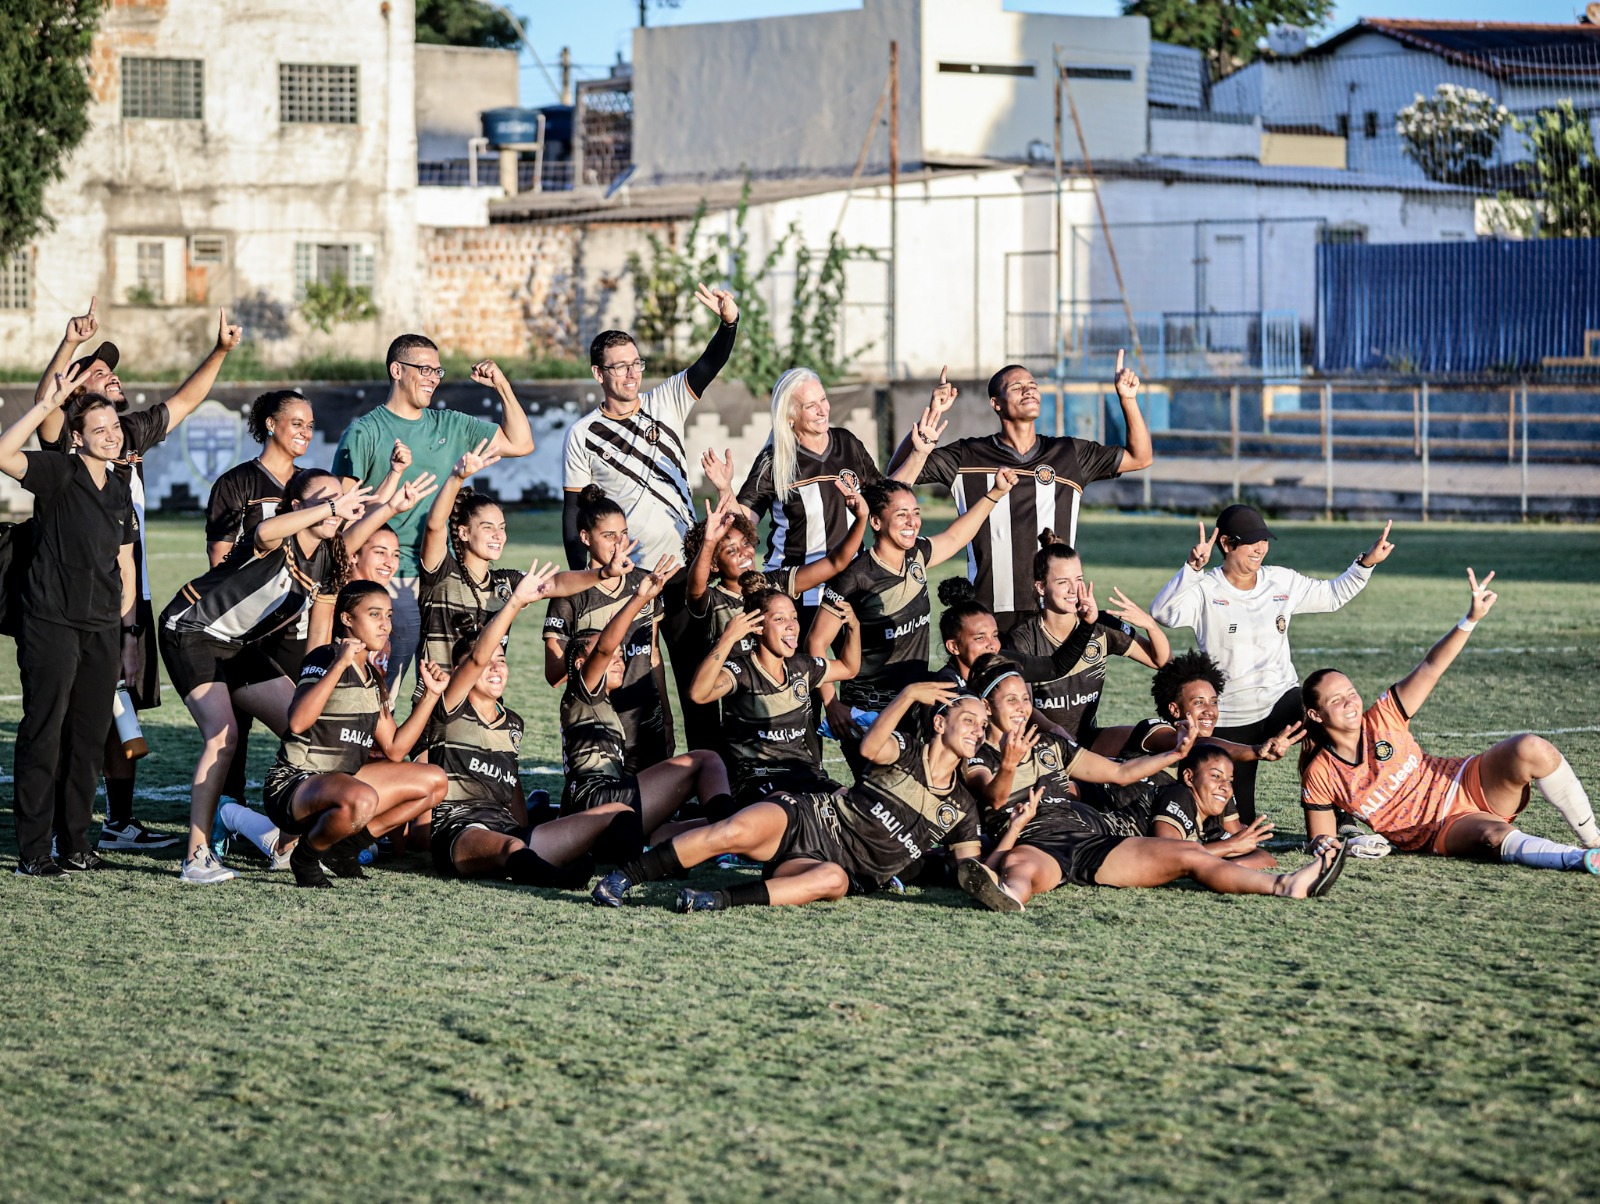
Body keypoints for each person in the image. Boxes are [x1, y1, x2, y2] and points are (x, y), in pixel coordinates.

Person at [33, 301, 245, 850]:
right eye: (99, 372)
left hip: (130, 599)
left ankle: (116, 822)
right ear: (76, 397)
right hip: (73, 605)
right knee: (73, 718)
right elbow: (45, 408)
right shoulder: (70, 441)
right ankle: (57, 829)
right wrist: (68, 346)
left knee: (120, 710)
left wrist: (220, 350)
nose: (112, 374)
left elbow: (186, 400)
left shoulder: (124, 434)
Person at [160, 465, 435, 884]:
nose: (335, 505)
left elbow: (320, 645)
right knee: (224, 735)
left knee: (305, 726)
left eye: (337, 499)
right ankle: (197, 856)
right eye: (324, 498)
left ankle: (284, 843)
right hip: (190, 629)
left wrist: (324, 680)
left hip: (238, 647)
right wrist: (336, 505)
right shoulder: (276, 535)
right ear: (296, 506)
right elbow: (268, 531)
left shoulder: (327, 559)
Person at [958, 659, 1338, 911]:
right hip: (1033, 839)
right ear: (987, 706)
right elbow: (993, 797)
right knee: (1020, 869)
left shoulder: (1049, 743)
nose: (1023, 707)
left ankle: (1284, 885)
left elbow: (1120, 773)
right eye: (1011, 700)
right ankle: (1004, 894)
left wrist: (1176, 754)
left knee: (1188, 856)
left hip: (1088, 837)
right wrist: (1008, 764)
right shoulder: (977, 753)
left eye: (1025, 698)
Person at [591, 681, 989, 913]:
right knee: (732, 830)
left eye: (984, 726)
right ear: (940, 722)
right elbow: (869, 750)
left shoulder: (962, 808)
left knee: (832, 881)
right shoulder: (904, 749)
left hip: (832, 866)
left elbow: (971, 872)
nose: (978, 731)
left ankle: (715, 899)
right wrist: (906, 696)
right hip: (811, 819)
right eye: (968, 721)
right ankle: (622, 878)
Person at [1299, 569, 1600, 873]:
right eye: (1336, 700)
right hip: (1442, 828)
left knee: (1532, 748)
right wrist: (1346, 844)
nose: (1350, 702)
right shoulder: (1321, 772)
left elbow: (1431, 666)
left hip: (1465, 781)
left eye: (1350, 692)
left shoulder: (1383, 716)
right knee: (1492, 837)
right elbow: (1320, 840)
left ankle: (1594, 841)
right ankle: (1581, 860)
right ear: (1316, 714)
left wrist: (1470, 619)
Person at [562, 286, 739, 752]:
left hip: (684, 569)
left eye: (636, 363)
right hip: (631, 579)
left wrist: (728, 323)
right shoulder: (582, 434)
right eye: (619, 366)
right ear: (598, 373)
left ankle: (710, 781)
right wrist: (587, 581)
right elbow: (572, 514)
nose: (630, 373)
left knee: (697, 684)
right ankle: (644, 780)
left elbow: (709, 364)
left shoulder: (666, 402)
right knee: (638, 692)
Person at [1150, 504, 1395, 823]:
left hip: (1283, 700)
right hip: (1233, 716)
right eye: (1252, 541)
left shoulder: (1281, 581)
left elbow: (1333, 596)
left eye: (1264, 540)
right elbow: (1162, 613)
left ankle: (1344, 821)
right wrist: (1192, 569)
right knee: (1238, 821)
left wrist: (1366, 563)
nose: (1261, 548)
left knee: (1331, 726)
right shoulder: (1204, 589)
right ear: (1226, 544)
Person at [888, 352, 1152, 634]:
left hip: (1055, 611)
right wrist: (933, 413)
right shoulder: (967, 456)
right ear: (996, 404)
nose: (1029, 390)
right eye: (1017, 387)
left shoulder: (1069, 454)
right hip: (990, 612)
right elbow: (899, 476)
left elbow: (1141, 457)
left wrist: (1128, 400)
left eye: (1033, 386)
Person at [429, 560, 647, 886]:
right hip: (460, 832)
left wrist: (527, 825)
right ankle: (559, 879)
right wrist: (515, 602)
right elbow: (476, 658)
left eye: (501, 661)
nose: (494, 667)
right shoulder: (450, 708)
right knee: (511, 846)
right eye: (485, 664)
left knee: (617, 812)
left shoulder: (512, 723)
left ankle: (639, 868)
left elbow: (512, 782)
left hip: (509, 829)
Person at [333, 347, 535, 690]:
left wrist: (501, 384)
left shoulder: (452, 424)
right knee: (384, 689)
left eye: (437, 372)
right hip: (393, 580)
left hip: (447, 578)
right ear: (397, 370)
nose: (432, 379)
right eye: (424, 369)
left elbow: (521, 442)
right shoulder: (364, 431)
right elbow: (342, 516)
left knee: (446, 691)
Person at [1, 368, 136, 876]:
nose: (112, 435)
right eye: (99, 430)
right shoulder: (59, 472)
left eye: (115, 428)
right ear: (77, 437)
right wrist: (45, 405)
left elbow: (124, 563)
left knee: (88, 736)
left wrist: (128, 635)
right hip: (50, 622)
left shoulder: (120, 485)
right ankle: (34, 851)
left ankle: (75, 842)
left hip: (102, 628)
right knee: (44, 733)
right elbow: (2, 454)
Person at [804, 472, 1020, 767]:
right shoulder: (855, 579)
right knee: (878, 792)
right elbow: (815, 642)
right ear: (876, 523)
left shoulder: (916, 555)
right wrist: (832, 703)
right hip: (868, 712)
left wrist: (995, 492)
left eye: (916, 514)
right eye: (901, 514)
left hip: (915, 705)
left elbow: (956, 536)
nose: (912, 522)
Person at [264, 580, 450, 888]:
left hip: (344, 787)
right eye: (374, 615)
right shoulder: (324, 657)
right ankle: (305, 858)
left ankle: (344, 848)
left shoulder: (373, 676)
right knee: (362, 797)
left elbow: (393, 748)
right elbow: (297, 722)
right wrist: (339, 664)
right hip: (294, 786)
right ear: (347, 619)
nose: (385, 625)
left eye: (388, 616)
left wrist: (431, 695)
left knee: (434, 783)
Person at [703, 366, 921, 610]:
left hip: (849, 587)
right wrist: (725, 489)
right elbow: (743, 523)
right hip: (795, 592)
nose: (822, 410)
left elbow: (888, 499)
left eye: (824, 399)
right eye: (810, 405)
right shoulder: (774, 460)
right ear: (790, 415)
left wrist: (920, 451)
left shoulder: (847, 444)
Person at [558, 554, 732, 852]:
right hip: (596, 800)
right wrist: (639, 598)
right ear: (580, 662)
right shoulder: (582, 690)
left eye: (618, 656)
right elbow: (604, 646)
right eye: (609, 656)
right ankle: (732, 828)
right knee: (706, 760)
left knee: (697, 829)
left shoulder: (602, 703)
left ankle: (729, 829)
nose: (618, 658)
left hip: (601, 807)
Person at [206, 389, 319, 817]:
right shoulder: (237, 483)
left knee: (306, 720)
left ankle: (300, 809)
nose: (305, 432)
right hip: (243, 629)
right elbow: (219, 559)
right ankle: (226, 816)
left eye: (310, 425)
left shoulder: (310, 485)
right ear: (270, 424)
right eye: (296, 423)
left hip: (294, 626)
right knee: (233, 730)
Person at [420, 441, 619, 680]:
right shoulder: (441, 573)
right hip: (438, 697)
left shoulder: (506, 582)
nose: (498, 535)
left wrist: (603, 573)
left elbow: (555, 584)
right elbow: (434, 526)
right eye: (487, 527)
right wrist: (456, 478)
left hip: (485, 697)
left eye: (502, 527)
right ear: (463, 533)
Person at [681, 481, 866, 732]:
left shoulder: (775, 583)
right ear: (714, 564)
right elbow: (695, 587)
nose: (744, 553)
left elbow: (835, 562)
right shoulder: (713, 599)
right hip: (747, 713)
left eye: (746, 543)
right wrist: (709, 544)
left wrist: (861, 519)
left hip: (792, 703)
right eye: (731, 550)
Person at [688, 581, 861, 812]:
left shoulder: (802, 666)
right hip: (757, 778)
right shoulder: (741, 671)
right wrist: (727, 639)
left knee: (854, 807)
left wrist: (854, 627)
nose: (791, 626)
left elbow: (849, 668)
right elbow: (698, 694)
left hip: (804, 772)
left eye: (794, 617)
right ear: (758, 627)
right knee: (787, 810)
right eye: (780, 619)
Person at [544, 486, 672, 771]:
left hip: (644, 722)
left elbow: (652, 654)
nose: (619, 543)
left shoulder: (645, 582)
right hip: (597, 727)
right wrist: (598, 652)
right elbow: (553, 675)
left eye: (623, 533)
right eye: (609, 536)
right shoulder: (570, 592)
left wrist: (667, 718)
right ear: (585, 538)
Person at [1004, 536, 1169, 745]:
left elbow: (1160, 661)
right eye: (1063, 582)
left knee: (1154, 735)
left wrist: (1150, 625)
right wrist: (1055, 731)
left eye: (1079, 579)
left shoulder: (1102, 626)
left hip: (1090, 740)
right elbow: (1025, 707)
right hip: (1044, 745)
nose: (1074, 589)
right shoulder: (1023, 638)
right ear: (1041, 587)